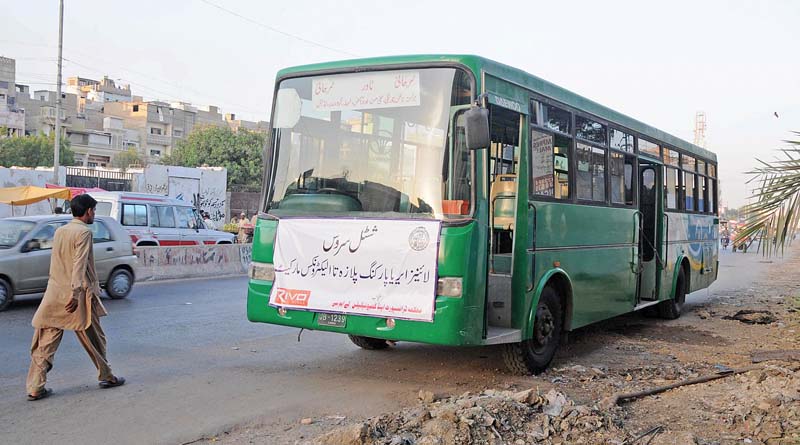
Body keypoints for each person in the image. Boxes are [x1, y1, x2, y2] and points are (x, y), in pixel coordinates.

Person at [25, 194, 125, 401]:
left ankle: (35, 386)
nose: (94, 214)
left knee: (46, 342)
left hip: (54, 294)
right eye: (94, 211)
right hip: (76, 296)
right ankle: (106, 375)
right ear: (88, 211)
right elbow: (79, 264)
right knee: (95, 338)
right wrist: (77, 293)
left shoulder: (60, 231)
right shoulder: (84, 233)